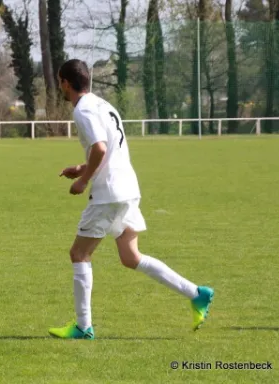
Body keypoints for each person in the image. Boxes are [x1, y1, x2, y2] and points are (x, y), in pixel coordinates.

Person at [48, 59, 213, 339]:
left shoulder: (83, 110)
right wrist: (81, 167)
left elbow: (100, 149)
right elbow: (108, 149)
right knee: (130, 256)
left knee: (79, 254)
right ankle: (196, 294)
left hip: (108, 194)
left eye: (59, 82)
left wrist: (83, 180)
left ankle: (83, 326)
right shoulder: (104, 105)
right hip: (127, 188)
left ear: (65, 82)